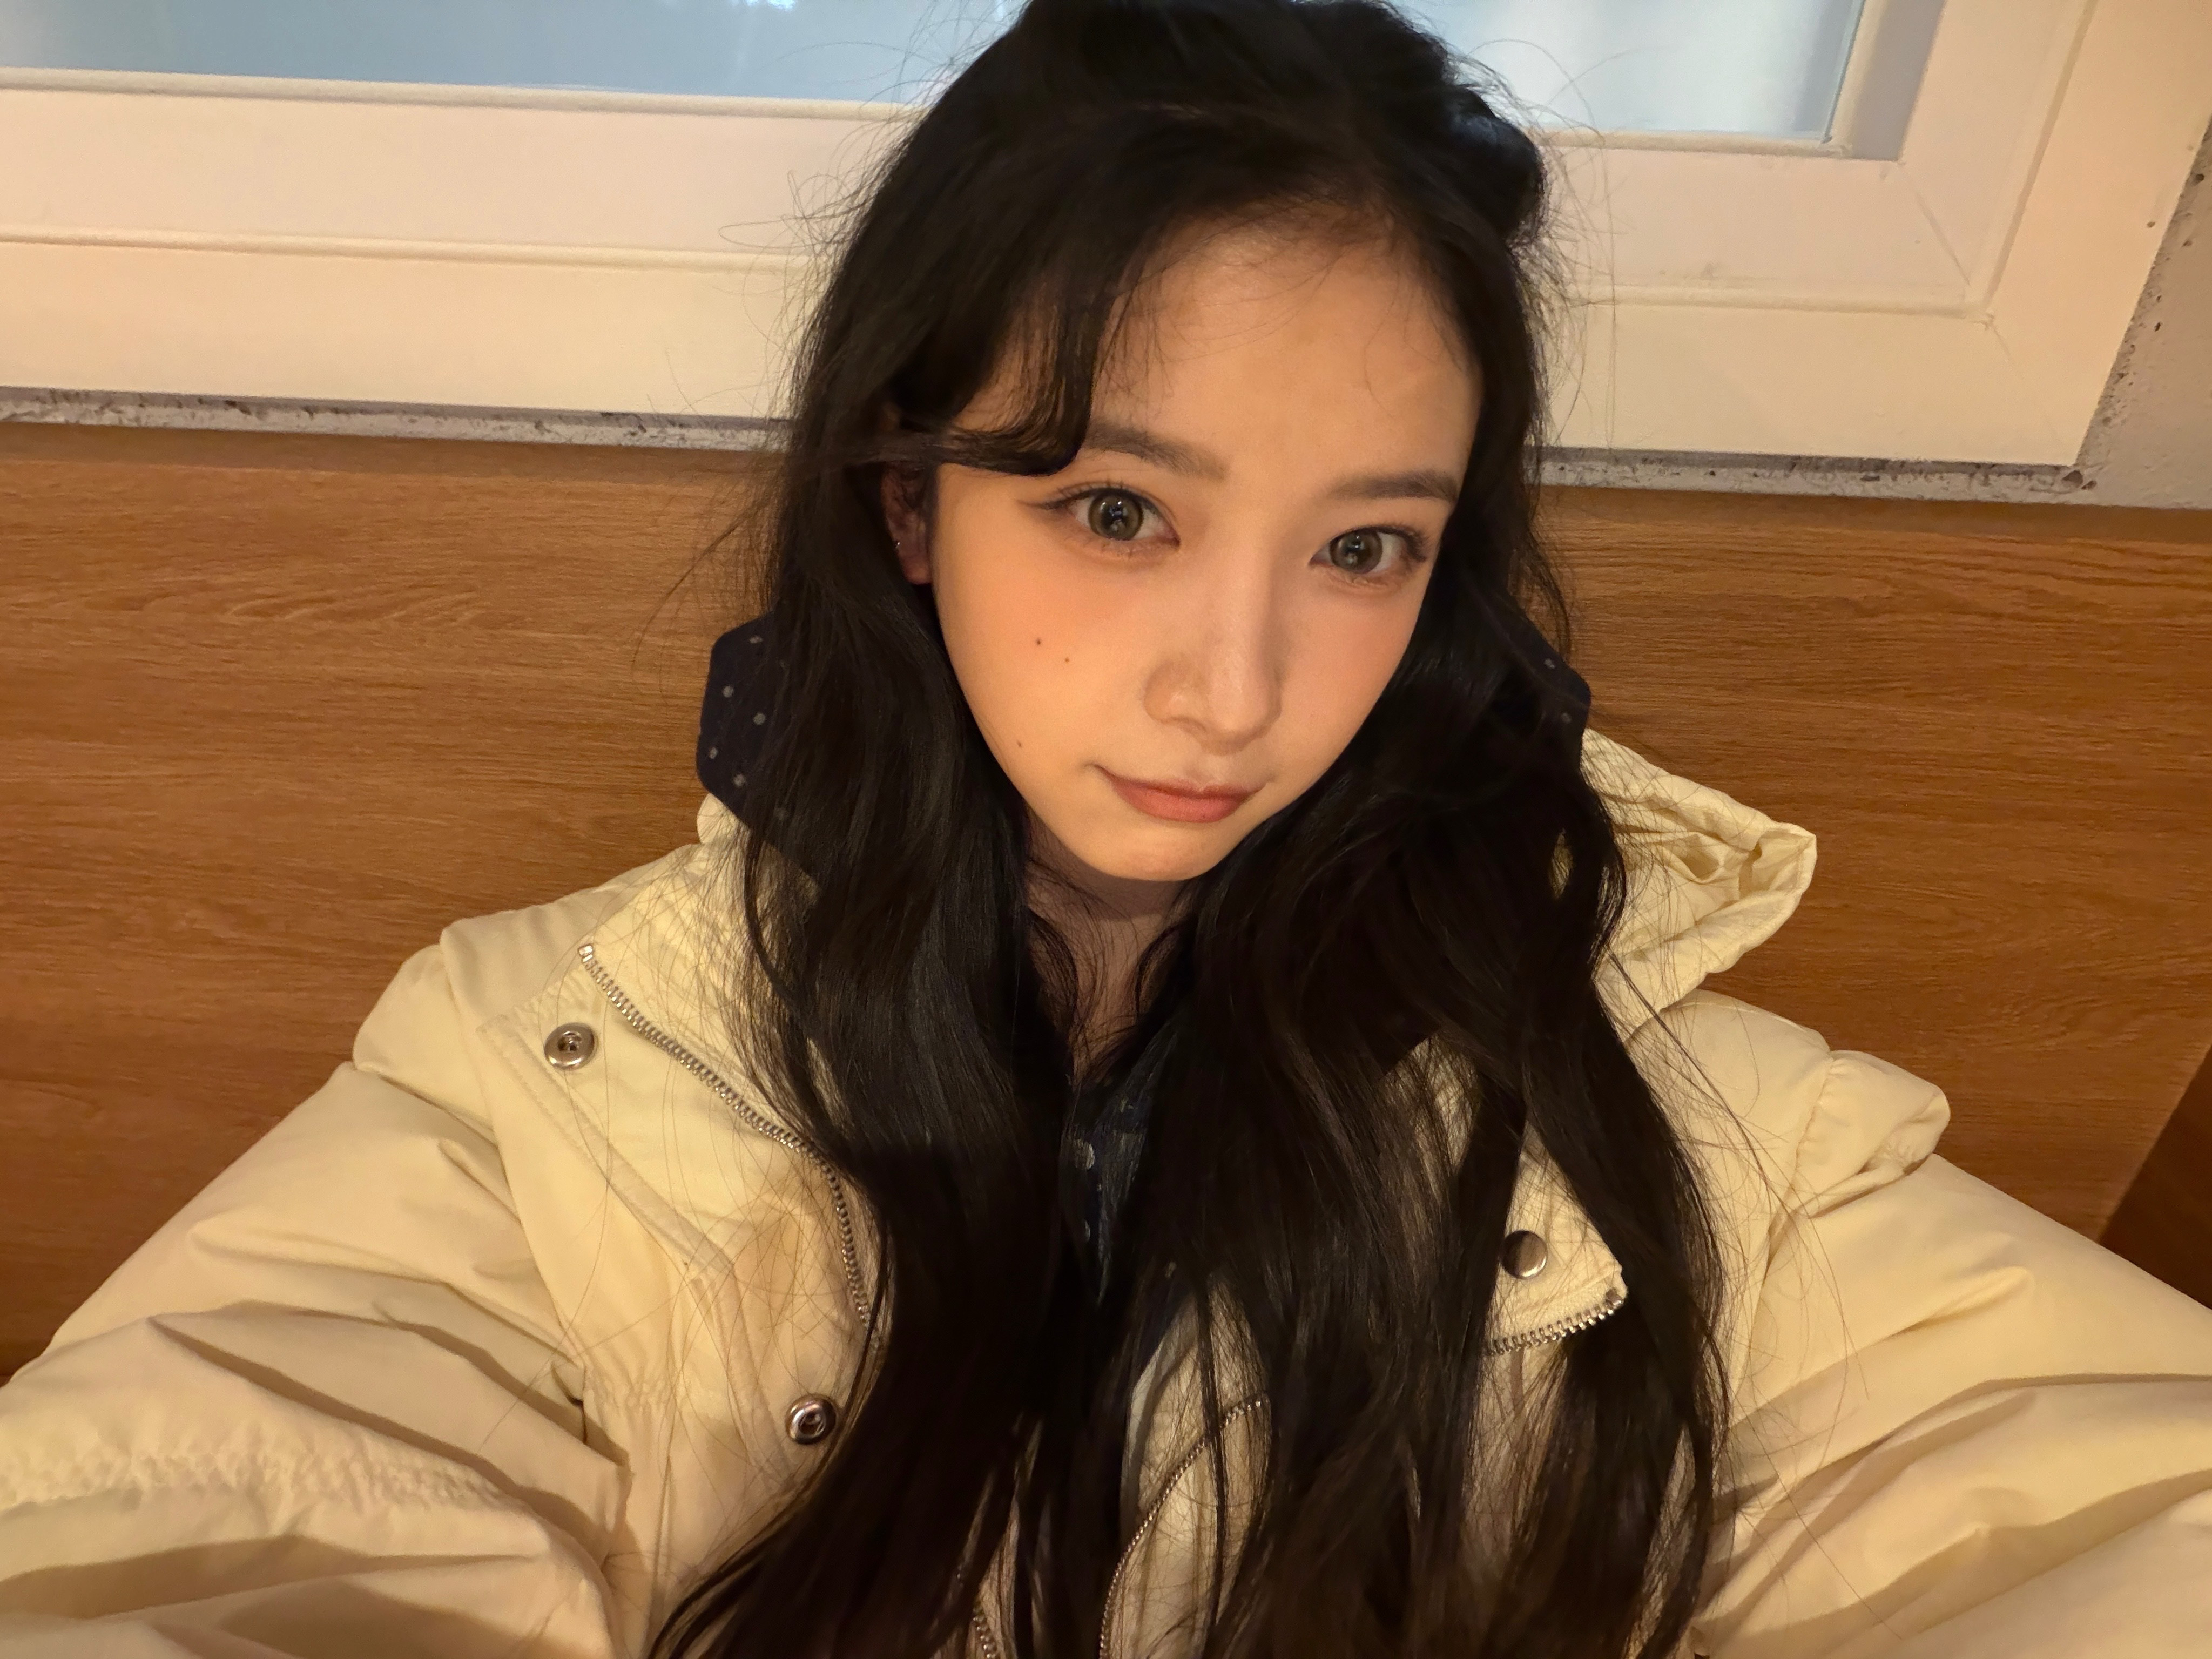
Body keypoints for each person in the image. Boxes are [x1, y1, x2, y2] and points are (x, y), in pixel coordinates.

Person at [5, 1, 2211, 1654]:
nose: (1236, 693)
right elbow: (200, 1509)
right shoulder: (533, 1075)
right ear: (910, 502)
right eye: (1119, 510)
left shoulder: (1678, 1117)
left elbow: (2090, 1510)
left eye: (1364, 548)